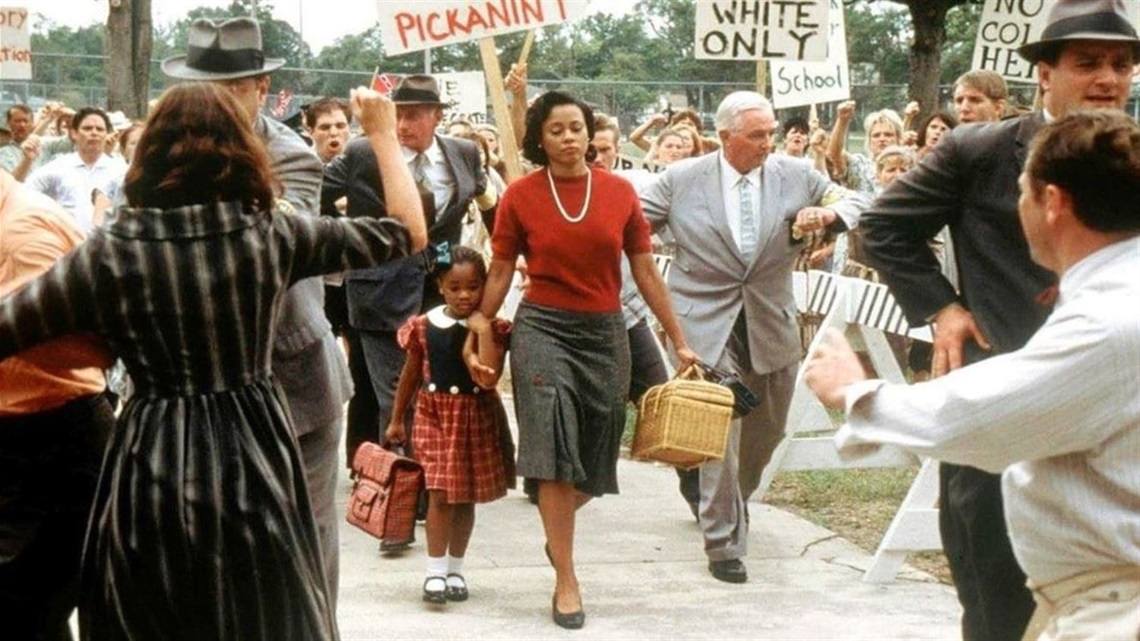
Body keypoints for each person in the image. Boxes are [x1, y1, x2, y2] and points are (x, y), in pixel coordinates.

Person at [0, 81, 425, 640]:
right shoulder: (271, 233)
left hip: (151, 451)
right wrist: (382, 136)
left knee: (156, 610)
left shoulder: (111, 250)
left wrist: (96, 348)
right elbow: (407, 233)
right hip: (254, 447)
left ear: (148, 153)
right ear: (240, 150)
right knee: (263, 608)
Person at [856, 1, 1139, 638]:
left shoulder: (1134, 157)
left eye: (1122, 65)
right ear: (1043, 72)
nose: (1108, 80)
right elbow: (882, 230)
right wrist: (942, 307)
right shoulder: (979, 150)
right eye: (1088, 63)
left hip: (1112, 439)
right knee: (999, 611)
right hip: (1000, 418)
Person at [470, 90, 697, 629]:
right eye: (556, 130)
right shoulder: (521, 196)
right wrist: (480, 318)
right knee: (552, 450)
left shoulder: (619, 192)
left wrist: (678, 338)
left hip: (604, 331)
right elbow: (500, 269)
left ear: (589, 134)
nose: (569, 138)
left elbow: (644, 270)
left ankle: (557, 532)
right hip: (543, 329)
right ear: (539, 139)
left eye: (577, 128)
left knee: (598, 455)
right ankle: (566, 579)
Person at [161, 16, 357, 604]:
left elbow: (275, 245)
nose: (218, 102)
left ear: (262, 90)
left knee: (305, 542)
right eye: (207, 89)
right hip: (200, 387)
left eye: (235, 88)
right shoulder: (164, 154)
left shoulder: (292, 156)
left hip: (293, 383)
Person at [638, 91, 866, 585]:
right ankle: (722, 543)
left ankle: (724, 497)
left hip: (770, 318)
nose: (768, 143)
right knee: (723, 427)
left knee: (767, 431)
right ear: (724, 137)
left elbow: (854, 199)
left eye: (770, 134)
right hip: (704, 321)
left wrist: (826, 216)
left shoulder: (797, 174)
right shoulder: (679, 180)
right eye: (757, 135)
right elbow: (628, 226)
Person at [322, 74, 496, 494]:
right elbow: (317, 197)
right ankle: (400, 497)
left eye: (414, 115)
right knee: (396, 398)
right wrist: (347, 242)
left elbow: (488, 205)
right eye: (397, 115)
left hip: (443, 293)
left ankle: (431, 482)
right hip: (379, 295)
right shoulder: (363, 153)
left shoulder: (465, 153)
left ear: (437, 116)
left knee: (437, 391)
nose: (403, 125)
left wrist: (516, 255)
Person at [0, 168, 116, 641]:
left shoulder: (24, 235)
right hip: (30, 436)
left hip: (48, 440)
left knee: (24, 607)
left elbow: (64, 344)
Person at [384, 246, 514, 605]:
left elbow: (490, 377)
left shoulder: (493, 328)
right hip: (434, 415)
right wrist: (397, 419)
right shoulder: (424, 326)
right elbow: (411, 375)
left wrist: (483, 331)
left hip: (475, 417)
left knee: (465, 496)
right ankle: (435, 572)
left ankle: (456, 568)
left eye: (473, 286)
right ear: (440, 285)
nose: (465, 295)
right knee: (440, 493)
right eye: (454, 287)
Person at [24, 108, 126, 233]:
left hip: (107, 246)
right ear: (74, 134)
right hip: (67, 244)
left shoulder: (121, 170)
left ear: (107, 134)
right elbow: (25, 194)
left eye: (100, 129)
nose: (94, 133)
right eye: (87, 128)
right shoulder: (58, 167)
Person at [827, 102, 903, 195]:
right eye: (876, 135)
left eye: (888, 135)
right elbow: (834, 153)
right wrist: (842, 120)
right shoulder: (860, 165)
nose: (882, 139)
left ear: (898, 139)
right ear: (869, 140)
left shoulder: (909, 169)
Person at [305, 97, 352, 164]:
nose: (333, 133)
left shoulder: (362, 163)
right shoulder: (301, 165)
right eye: (325, 128)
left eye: (340, 126)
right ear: (310, 132)